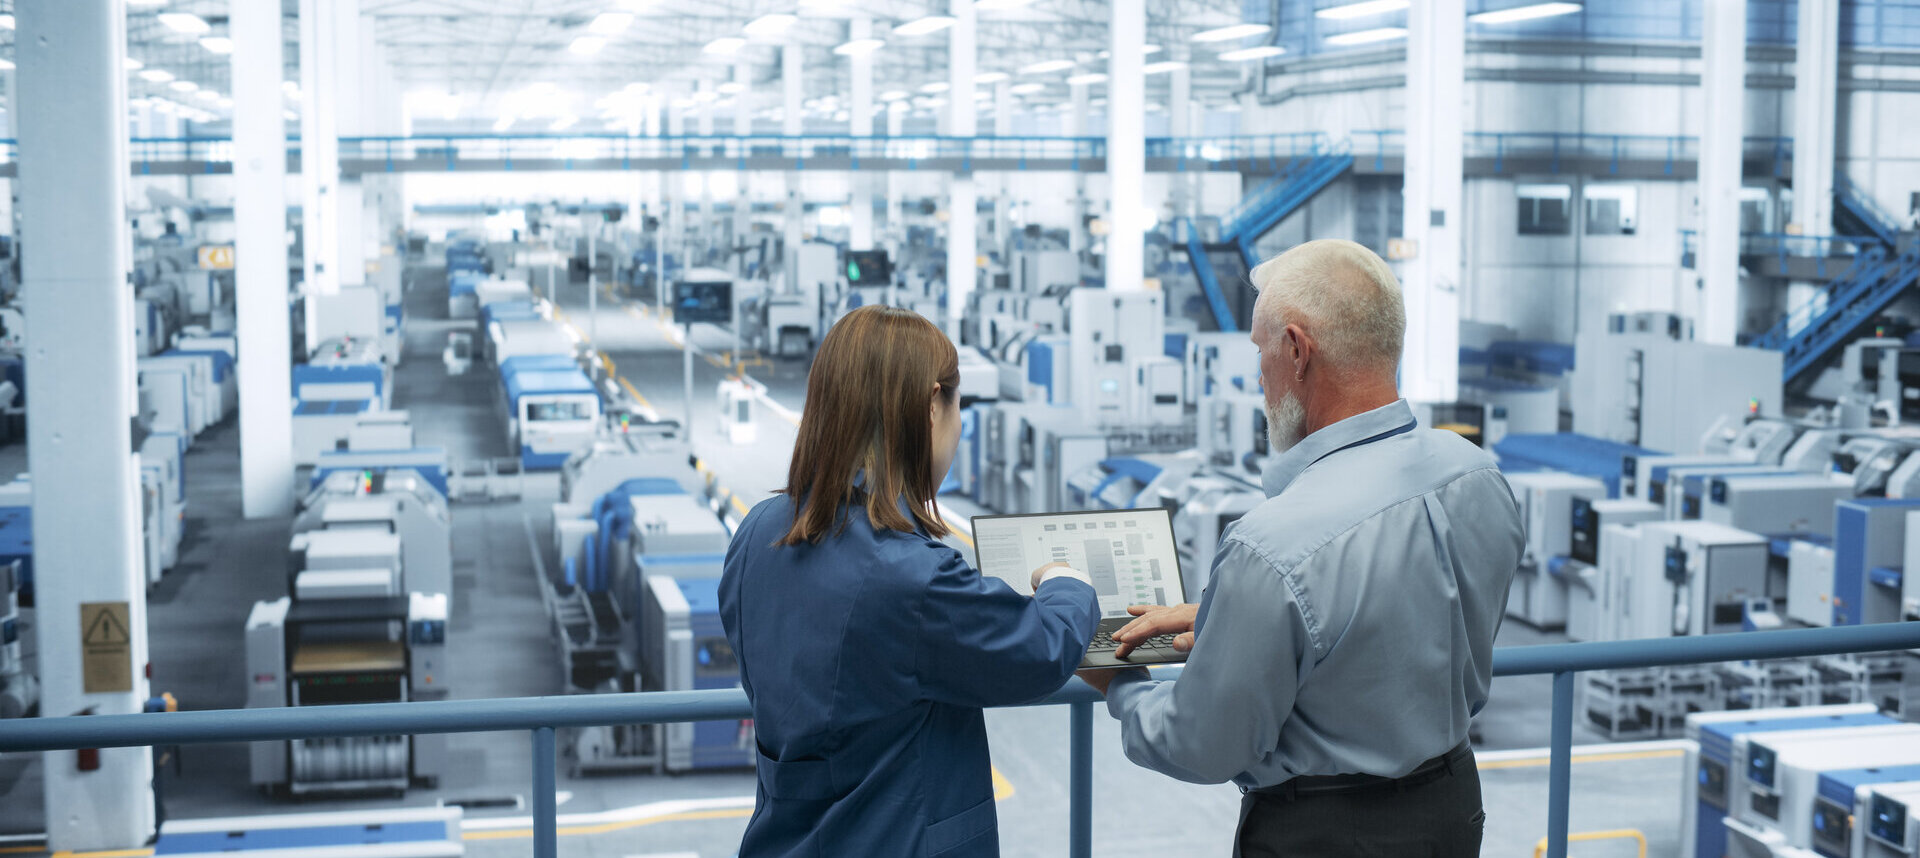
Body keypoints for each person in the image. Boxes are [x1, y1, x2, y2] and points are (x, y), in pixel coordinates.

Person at [1081, 239, 1524, 857]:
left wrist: (1115, 681)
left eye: (1260, 350)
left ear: (1295, 350)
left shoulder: (1272, 548)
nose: (1258, 374)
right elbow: (1402, 623)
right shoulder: (1477, 475)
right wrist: (1227, 619)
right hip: (1451, 808)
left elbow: (1199, 744)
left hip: (1327, 835)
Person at [719, 304, 1100, 858]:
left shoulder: (757, 532)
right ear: (931, 407)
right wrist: (1066, 582)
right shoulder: (908, 574)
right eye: (959, 406)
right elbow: (1039, 652)